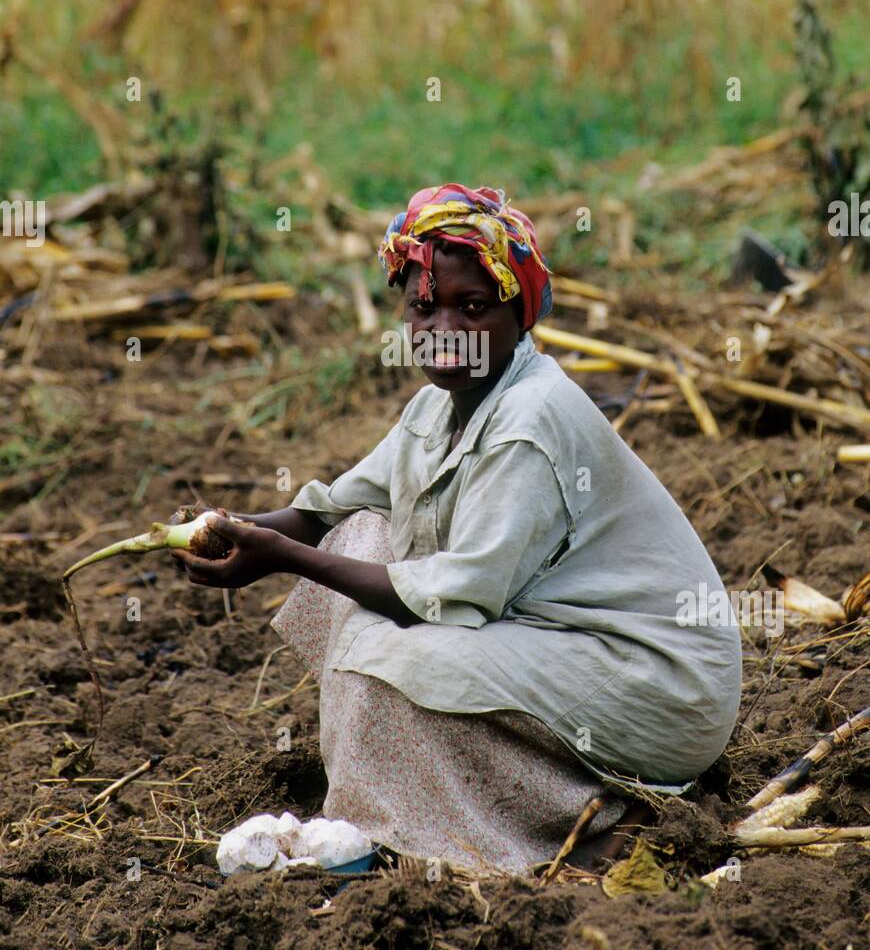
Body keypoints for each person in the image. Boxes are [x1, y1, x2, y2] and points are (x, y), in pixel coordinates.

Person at [176, 183, 742, 874]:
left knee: (388, 655)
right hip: (562, 644)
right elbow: (328, 510)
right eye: (424, 306)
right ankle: (383, 806)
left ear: (519, 314)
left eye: (472, 308)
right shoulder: (439, 405)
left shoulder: (528, 424)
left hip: (659, 685)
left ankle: (554, 819)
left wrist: (288, 557)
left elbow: (460, 595)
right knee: (360, 539)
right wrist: (228, 530)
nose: (444, 327)